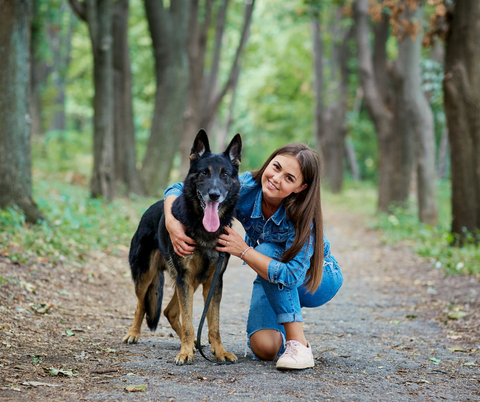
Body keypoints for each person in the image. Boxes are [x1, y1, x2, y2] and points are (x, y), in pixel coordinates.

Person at [164, 143, 343, 370]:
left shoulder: (304, 217)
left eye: (289, 178)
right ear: (268, 162)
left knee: (265, 251)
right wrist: (171, 223)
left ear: (300, 187)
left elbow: (290, 275)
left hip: (315, 279)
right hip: (269, 274)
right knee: (264, 348)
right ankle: (282, 328)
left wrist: (244, 251)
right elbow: (179, 187)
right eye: (276, 167)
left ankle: (298, 345)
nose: (276, 178)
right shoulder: (245, 186)